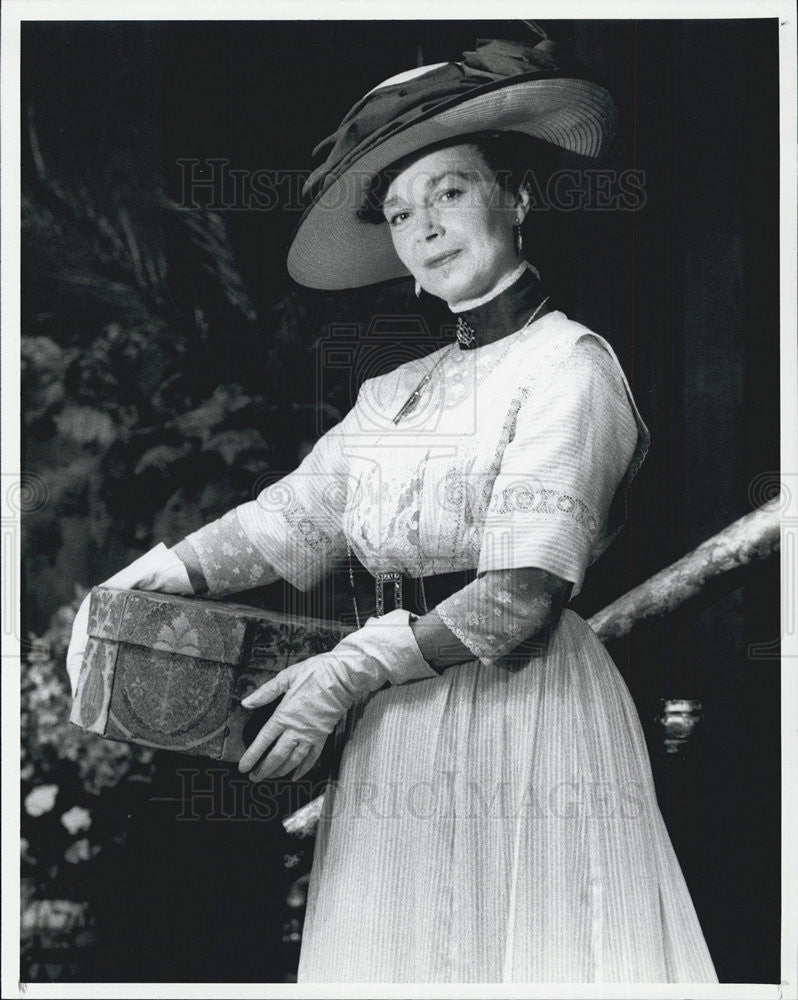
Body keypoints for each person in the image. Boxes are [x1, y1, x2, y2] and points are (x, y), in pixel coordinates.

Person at [67, 34, 718, 983]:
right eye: (403, 211)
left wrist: (347, 671)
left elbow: (522, 595)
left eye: (450, 191)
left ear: (518, 197)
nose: (425, 225)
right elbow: (288, 519)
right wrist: (150, 576)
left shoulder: (570, 366)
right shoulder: (396, 391)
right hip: (396, 729)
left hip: (525, 716)